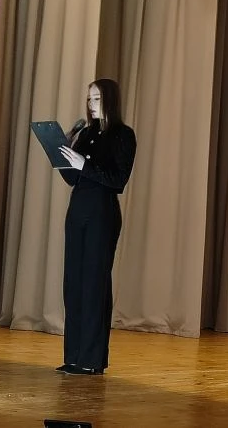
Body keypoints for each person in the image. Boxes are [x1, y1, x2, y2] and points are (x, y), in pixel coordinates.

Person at [55, 78, 136, 375]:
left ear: (110, 100)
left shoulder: (123, 135)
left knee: (93, 285)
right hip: (78, 210)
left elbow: (118, 180)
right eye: (89, 99)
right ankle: (73, 357)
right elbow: (72, 179)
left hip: (102, 213)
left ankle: (91, 361)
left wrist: (84, 165)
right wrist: (62, 155)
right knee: (73, 284)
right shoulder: (86, 133)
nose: (91, 104)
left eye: (97, 99)